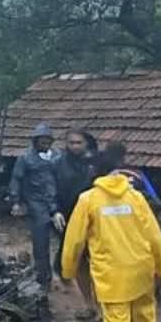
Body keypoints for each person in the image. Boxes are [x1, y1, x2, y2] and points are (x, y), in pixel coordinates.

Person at [61, 140, 161, 322]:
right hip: (141, 271)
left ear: (96, 174)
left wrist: (68, 271)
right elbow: (155, 238)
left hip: (112, 278)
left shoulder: (88, 200)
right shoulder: (135, 197)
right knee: (144, 320)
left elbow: (74, 242)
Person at [9, 122, 60, 287]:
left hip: (57, 204)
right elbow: (16, 179)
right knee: (41, 242)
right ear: (35, 141)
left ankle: (62, 271)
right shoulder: (25, 158)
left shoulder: (58, 156)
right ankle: (43, 278)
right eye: (41, 141)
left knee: (67, 240)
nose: (45, 144)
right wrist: (16, 201)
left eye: (47, 141)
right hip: (36, 204)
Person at [53, 129, 97, 304]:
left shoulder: (95, 164)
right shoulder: (57, 164)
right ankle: (87, 301)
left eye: (79, 143)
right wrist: (54, 210)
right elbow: (51, 189)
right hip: (67, 215)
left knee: (97, 258)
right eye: (71, 143)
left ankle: (101, 300)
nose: (75, 146)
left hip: (94, 216)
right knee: (75, 257)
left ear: (86, 144)